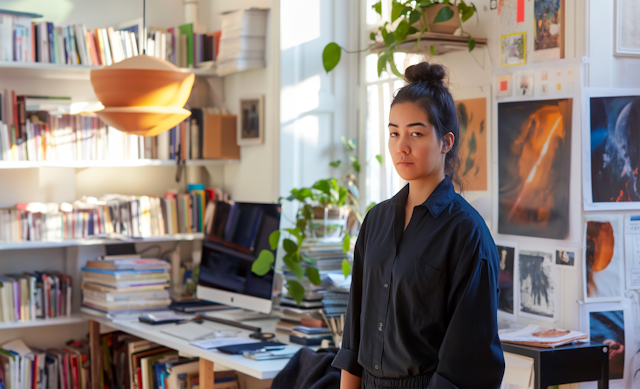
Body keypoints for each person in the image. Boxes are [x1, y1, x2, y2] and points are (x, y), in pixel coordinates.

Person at [331, 62, 505, 389]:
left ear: (446, 142)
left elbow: (467, 361)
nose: (402, 146)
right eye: (394, 133)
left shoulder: (467, 233)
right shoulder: (376, 221)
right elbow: (353, 335)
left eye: (416, 133)